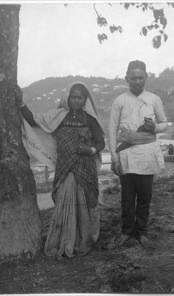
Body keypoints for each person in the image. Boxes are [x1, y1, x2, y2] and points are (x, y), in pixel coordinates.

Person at [15, 81, 105, 259]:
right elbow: (33, 120)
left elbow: (100, 142)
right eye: (74, 97)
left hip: (84, 168)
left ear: (85, 100)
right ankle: (64, 239)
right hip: (65, 168)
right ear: (67, 98)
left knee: (86, 202)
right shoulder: (58, 116)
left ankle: (83, 240)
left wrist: (91, 150)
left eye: (80, 98)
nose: (77, 101)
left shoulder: (90, 119)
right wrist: (21, 103)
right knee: (65, 202)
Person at [109, 60, 168, 248]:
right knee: (127, 196)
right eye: (133, 78)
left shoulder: (154, 99)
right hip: (126, 153)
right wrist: (113, 156)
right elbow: (112, 130)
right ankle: (126, 232)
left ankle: (142, 232)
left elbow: (165, 123)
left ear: (146, 78)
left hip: (147, 154)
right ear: (126, 78)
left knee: (145, 196)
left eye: (140, 78)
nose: (137, 81)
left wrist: (155, 127)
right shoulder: (119, 100)